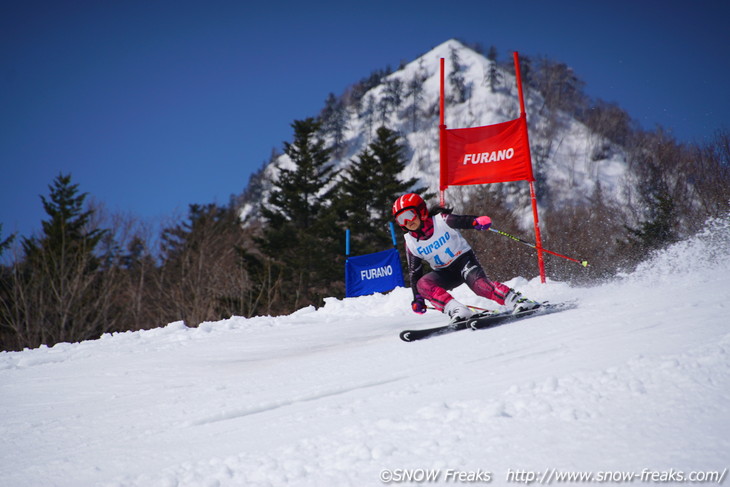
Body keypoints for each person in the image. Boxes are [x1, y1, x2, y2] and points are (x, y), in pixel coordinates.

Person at [392, 193, 539, 321]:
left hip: (463, 262)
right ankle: (458, 310)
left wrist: (476, 222)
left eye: (409, 215)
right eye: (401, 219)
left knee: (480, 286)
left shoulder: (441, 221)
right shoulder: (410, 243)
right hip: (445, 273)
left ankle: (518, 301)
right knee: (423, 284)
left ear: (421, 211)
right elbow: (415, 273)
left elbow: (462, 220)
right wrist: (417, 298)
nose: (407, 222)